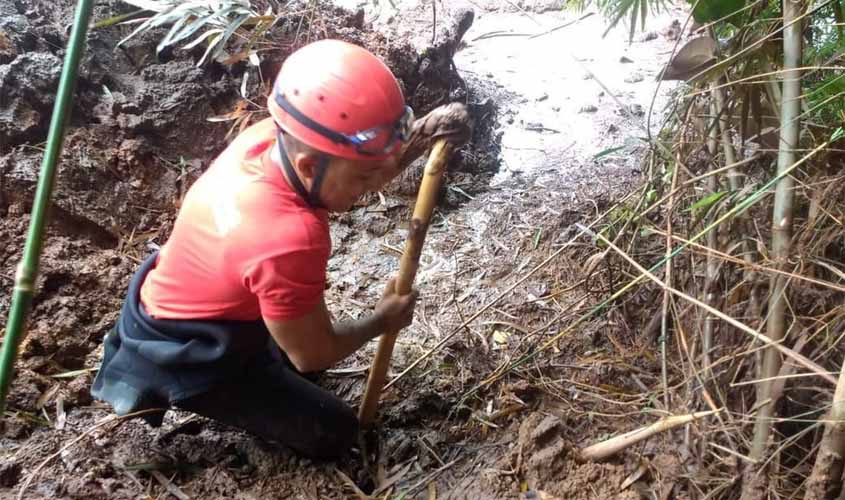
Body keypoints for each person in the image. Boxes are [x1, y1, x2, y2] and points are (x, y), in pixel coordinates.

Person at [91, 39, 471, 459]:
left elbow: (352, 167)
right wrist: (382, 320)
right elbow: (312, 353)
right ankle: (199, 388)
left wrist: (419, 137)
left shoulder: (270, 140)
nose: (370, 189)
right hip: (189, 349)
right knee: (334, 431)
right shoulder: (290, 237)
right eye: (365, 180)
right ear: (310, 165)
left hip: (183, 297)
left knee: (305, 358)